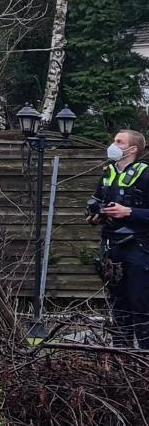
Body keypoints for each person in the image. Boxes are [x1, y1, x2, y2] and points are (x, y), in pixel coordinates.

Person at [86, 129, 149, 348]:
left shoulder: (146, 175)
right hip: (111, 248)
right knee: (118, 306)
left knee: (141, 304)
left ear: (132, 149)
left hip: (139, 248)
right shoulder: (108, 174)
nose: (113, 145)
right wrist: (94, 216)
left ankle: (144, 357)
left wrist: (129, 212)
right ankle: (120, 358)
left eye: (119, 142)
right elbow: (96, 204)